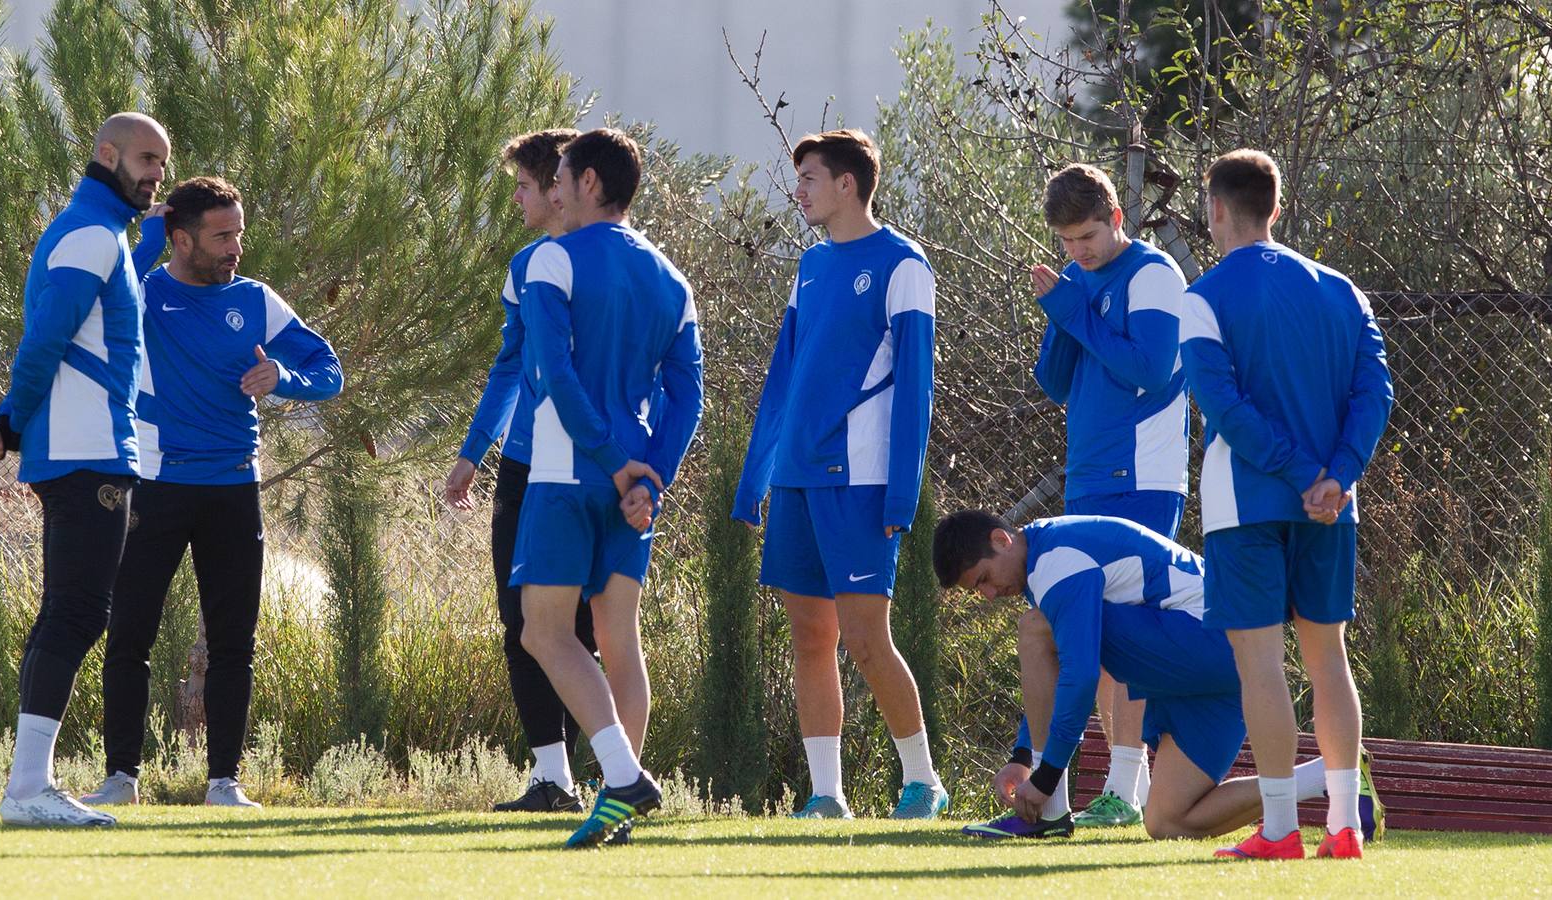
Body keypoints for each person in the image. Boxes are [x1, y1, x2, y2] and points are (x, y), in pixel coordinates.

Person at [77, 176, 342, 810]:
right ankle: (121, 778)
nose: (235, 248)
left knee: (233, 641)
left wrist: (284, 375)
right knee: (130, 632)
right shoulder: (141, 292)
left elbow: (327, 371)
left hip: (232, 489)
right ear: (182, 239)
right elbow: (109, 283)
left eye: (239, 234)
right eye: (222, 236)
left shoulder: (255, 300)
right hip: (157, 487)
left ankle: (224, 782)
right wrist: (148, 233)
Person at [1179, 149, 1394, 860]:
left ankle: (1276, 830)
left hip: (1249, 504)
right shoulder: (1343, 291)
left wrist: (1305, 472)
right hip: (1332, 505)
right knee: (1328, 658)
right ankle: (1340, 824)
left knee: (1261, 664)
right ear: (1275, 207)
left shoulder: (1203, 296)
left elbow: (1224, 410)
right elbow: (1375, 394)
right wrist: (1337, 473)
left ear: (1216, 209)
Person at [934, 511, 1382, 843]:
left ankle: (1051, 813)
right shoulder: (1047, 561)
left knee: (1036, 627)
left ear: (1001, 539)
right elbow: (1057, 670)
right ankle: (1333, 773)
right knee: (1168, 821)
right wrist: (1021, 755)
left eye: (984, 578)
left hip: (1210, 644)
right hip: (1224, 669)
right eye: (979, 590)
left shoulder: (1054, 560)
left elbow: (1080, 673)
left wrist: (1045, 775)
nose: (990, 594)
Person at [731, 129, 945, 820]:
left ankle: (923, 781)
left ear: (847, 184)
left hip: (860, 481)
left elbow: (916, 388)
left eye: (810, 178)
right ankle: (825, 796)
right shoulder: (811, 267)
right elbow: (782, 376)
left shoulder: (902, 264)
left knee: (864, 638)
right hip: (796, 477)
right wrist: (755, 478)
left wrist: (902, 491)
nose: (798, 190)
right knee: (808, 636)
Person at [0, 112, 169, 827]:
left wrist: (152, 232)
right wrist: (10, 420)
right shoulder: (91, 234)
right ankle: (27, 789)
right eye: (146, 159)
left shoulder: (100, 231)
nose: (155, 173)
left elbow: (83, 315)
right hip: (88, 452)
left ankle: (29, 782)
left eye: (162, 163)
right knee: (78, 613)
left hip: (83, 451)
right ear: (107, 154)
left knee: (66, 612)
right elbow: (47, 336)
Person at [512, 128, 704, 848]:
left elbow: (555, 376)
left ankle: (621, 778)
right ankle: (617, 803)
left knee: (544, 632)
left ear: (590, 181)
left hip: (567, 472)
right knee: (617, 638)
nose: (553, 189)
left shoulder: (551, 259)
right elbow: (688, 398)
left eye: (560, 176)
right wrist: (650, 476)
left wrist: (609, 460)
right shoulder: (670, 277)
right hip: (633, 485)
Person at [1028, 163, 1190, 828]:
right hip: (1088, 479)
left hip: (1142, 480)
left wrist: (1074, 311)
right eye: (1066, 241)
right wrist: (1059, 313)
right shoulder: (1077, 279)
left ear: (1117, 218)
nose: (1078, 250)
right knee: (1088, 638)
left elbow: (1149, 370)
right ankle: (1127, 785)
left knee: (1126, 636)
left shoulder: (1151, 274)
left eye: (1088, 235)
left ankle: (1124, 789)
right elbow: (1054, 383)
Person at [442, 128, 597, 813]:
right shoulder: (522, 266)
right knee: (520, 620)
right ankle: (551, 776)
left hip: (596, 467)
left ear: (560, 190)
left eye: (526, 186)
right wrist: (471, 455)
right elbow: (508, 368)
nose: (518, 198)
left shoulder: (615, 263)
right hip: (526, 466)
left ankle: (615, 771)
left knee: (594, 625)